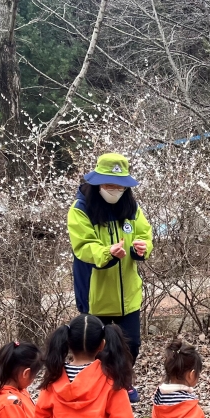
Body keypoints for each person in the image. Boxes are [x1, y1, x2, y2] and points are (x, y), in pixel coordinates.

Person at [68, 152, 153, 402]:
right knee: (96, 346)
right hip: (96, 293)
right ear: (97, 183)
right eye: (109, 185)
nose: (114, 190)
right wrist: (107, 252)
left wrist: (142, 247)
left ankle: (122, 382)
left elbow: (145, 234)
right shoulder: (81, 209)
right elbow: (83, 246)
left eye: (119, 186)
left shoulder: (131, 207)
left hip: (128, 292)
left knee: (132, 344)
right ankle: (99, 388)